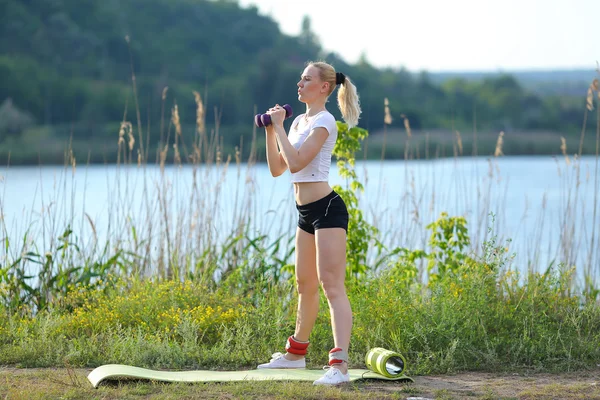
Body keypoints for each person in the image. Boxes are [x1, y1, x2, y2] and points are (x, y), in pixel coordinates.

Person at [256, 60, 361, 386]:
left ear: (324, 87)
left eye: (306, 80)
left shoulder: (325, 121)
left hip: (328, 210)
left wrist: (279, 127)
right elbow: (278, 168)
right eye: (300, 79)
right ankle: (296, 355)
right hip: (305, 212)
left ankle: (339, 366)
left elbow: (299, 160)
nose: (299, 84)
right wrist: (272, 130)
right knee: (304, 284)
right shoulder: (298, 120)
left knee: (332, 286)